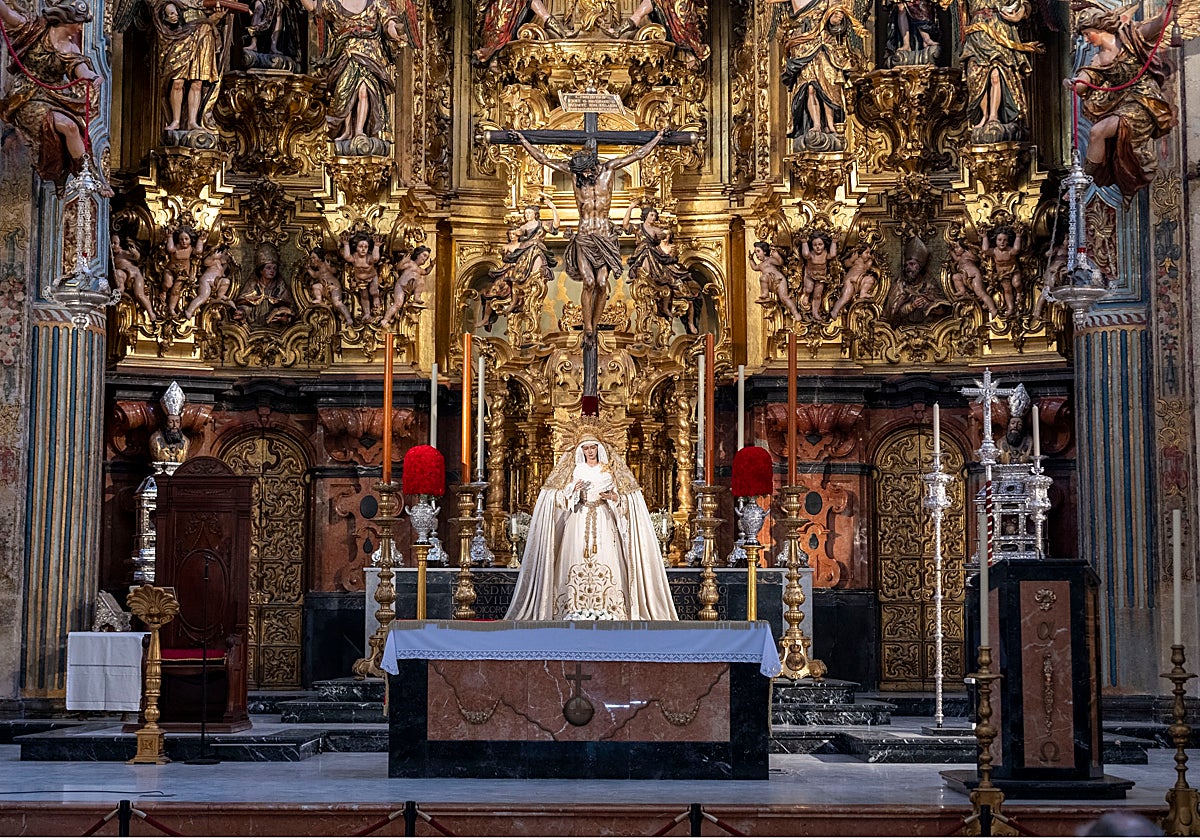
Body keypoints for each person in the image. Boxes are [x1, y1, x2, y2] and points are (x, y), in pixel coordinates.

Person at [511, 128, 666, 338]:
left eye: (586, 171)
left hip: (605, 236)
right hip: (584, 236)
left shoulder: (609, 170)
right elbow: (544, 159)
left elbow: (637, 154)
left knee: (602, 283)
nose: (584, 176)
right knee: (589, 282)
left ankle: (594, 322)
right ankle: (588, 328)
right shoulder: (577, 175)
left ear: (593, 165)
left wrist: (657, 139)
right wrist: (523, 140)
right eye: (580, 173)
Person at [506, 432, 679, 621]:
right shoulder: (575, 470)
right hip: (577, 520)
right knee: (573, 555)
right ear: (581, 450)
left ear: (600, 448)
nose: (589, 451)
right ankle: (571, 608)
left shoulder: (610, 471)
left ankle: (610, 609)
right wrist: (573, 491)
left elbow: (628, 502)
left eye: (593, 447)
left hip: (604, 519)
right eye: (586, 448)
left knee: (607, 556)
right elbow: (558, 499)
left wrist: (614, 498)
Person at [1064, 4, 1176, 196]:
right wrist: (1074, 84)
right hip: (1124, 104)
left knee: (1102, 133)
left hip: (1145, 102)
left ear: (1099, 28)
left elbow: (1160, 22)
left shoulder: (1131, 37)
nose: (1086, 40)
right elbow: (1085, 80)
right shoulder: (1098, 60)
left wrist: (1173, 6)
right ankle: (1089, 180)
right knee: (1096, 133)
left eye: (1087, 34)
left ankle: (1090, 181)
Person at [0, 0, 105, 193]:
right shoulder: (36, 29)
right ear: (67, 20)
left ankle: (87, 175)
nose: (80, 28)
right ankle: (68, 173)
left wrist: (92, 77)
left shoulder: (71, 49)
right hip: (25, 97)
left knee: (73, 128)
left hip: (53, 98)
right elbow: (7, 14)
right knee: (63, 127)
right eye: (79, 22)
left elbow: (81, 69)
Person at [152, 0, 227, 133]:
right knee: (177, 82)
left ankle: (192, 121)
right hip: (182, 36)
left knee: (197, 83)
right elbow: (164, 4)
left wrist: (215, 18)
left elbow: (211, 15)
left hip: (203, 35)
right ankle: (175, 120)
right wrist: (170, 11)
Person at [623, 205, 700, 334]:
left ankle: (650, 279)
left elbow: (666, 235)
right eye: (651, 215)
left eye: (655, 215)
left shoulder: (657, 231)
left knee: (669, 279)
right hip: (643, 255)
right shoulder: (639, 228)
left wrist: (666, 232)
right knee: (646, 250)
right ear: (645, 215)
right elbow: (625, 224)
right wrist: (630, 208)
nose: (654, 217)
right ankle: (639, 273)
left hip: (655, 258)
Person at [378, 245, 431, 326]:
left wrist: (431, 265)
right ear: (417, 254)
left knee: (421, 281)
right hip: (401, 286)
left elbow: (426, 272)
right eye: (424, 255)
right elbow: (398, 267)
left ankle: (417, 297)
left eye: (427, 258)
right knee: (398, 304)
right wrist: (404, 260)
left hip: (409, 289)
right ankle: (385, 319)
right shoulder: (410, 263)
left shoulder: (419, 270)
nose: (425, 259)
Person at [947, 238, 999, 318]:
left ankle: (993, 309)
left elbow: (976, 255)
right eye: (955, 248)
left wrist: (969, 246)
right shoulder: (960, 258)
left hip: (974, 275)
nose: (956, 250)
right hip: (964, 276)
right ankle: (962, 290)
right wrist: (950, 250)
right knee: (956, 277)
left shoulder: (968, 254)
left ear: (964, 248)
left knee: (980, 293)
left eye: (957, 247)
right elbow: (955, 258)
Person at [751, 240, 802, 321]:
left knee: (784, 298)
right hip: (771, 283)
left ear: (764, 252)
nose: (756, 254)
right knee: (763, 278)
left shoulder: (769, 260)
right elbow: (754, 267)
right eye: (755, 252)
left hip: (779, 280)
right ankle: (765, 294)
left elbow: (780, 262)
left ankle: (795, 313)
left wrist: (776, 255)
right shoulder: (761, 265)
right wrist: (751, 259)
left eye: (758, 251)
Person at [110, 234, 157, 320]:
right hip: (124, 274)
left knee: (139, 294)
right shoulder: (113, 257)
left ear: (121, 245)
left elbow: (136, 257)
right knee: (118, 273)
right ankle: (121, 287)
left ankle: (151, 312)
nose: (112, 246)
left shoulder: (123, 253)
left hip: (134, 274)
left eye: (115, 243)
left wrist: (134, 251)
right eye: (111, 243)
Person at [340, 231, 383, 321]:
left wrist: (376, 246)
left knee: (374, 292)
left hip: (372, 277)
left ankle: (377, 307)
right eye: (361, 247)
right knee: (364, 296)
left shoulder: (368, 258)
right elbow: (347, 257)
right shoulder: (355, 257)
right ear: (356, 247)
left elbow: (375, 259)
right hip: (360, 280)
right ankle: (367, 313)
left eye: (365, 247)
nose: (363, 249)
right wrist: (346, 244)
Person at [827, 244, 877, 320]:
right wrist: (852, 259)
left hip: (859, 281)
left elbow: (867, 267)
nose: (868, 255)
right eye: (866, 253)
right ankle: (835, 311)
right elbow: (845, 264)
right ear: (860, 253)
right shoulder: (856, 260)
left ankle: (863, 293)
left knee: (870, 280)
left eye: (869, 253)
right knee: (845, 297)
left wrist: (871, 259)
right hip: (850, 281)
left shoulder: (864, 264)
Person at [982, 226, 1023, 317]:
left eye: (1005, 240)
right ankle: (1011, 308)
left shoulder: (1009, 251)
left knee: (1017, 284)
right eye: (999, 240)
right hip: (1002, 274)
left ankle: (1019, 292)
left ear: (1008, 242)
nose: (1002, 242)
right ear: (995, 241)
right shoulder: (994, 252)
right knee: (1007, 290)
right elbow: (985, 250)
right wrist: (984, 237)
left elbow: (1016, 249)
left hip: (1013, 270)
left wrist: (1018, 236)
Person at [799, 231, 836, 321]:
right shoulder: (811, 254)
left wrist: (834, 242)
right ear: (811, 245)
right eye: (815, 245)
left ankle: (815, 312)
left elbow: (833, 255)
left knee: (818, 295)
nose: (818, 247)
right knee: (808, 289)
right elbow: (805, 254)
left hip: (821, 277)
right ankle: (806, 295)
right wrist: (804, 242)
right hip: (809, 275)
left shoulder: (825, 254)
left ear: (824, 244)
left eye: (820, 244)